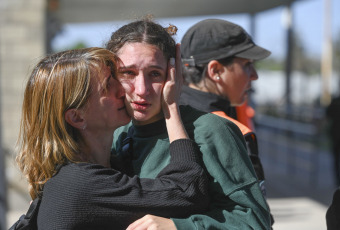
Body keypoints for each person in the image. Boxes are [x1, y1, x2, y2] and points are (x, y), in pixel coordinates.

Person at [11, 47, 209, 230]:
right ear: (77, 117)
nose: (123, 90)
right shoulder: (79, 184)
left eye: (116, 78)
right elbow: (187, 191)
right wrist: (171, 108)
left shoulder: (89, 172)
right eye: (107, 86)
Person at [106, 18, 271, 229]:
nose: (141, 89)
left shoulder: (211, 130)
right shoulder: (116, 133)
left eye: (154, 74)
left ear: (174, 73)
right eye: (128, 73)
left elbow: (254, 221)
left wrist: (177, 226)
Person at [180, 18, 270, 201]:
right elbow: (252, 219)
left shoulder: (164, 114)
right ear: (216, 71)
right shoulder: (230, 130)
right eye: (247, 65)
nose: (254, 75)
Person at [326, 78, 340, 186]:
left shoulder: (336, 101)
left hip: (337, 135)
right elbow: (327, 116)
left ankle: (339, 183)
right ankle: (339, 183)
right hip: (337, 136)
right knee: (337, 162)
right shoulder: (336, 101)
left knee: (337, 162)